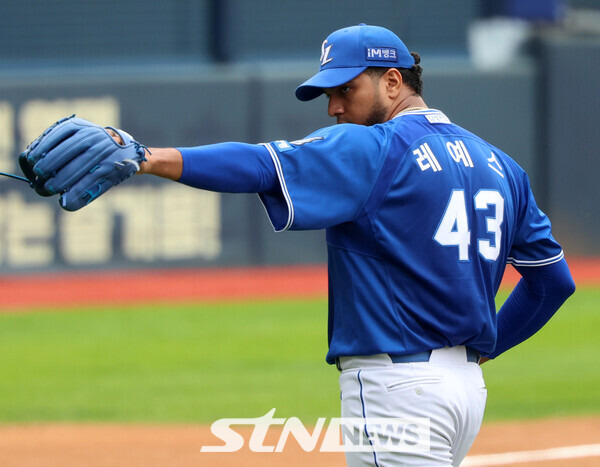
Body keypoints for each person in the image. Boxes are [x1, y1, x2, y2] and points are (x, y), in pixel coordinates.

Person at [101, 24, 577, 466]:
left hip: (396, 388)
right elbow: (551, 283)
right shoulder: (502, 166)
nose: (333, 107)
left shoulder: (376, 149)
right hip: (466, 394)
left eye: (346, 89)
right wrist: (484, 351)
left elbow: (260, 165)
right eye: (329, 94)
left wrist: (147, 157)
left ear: (393, 81)